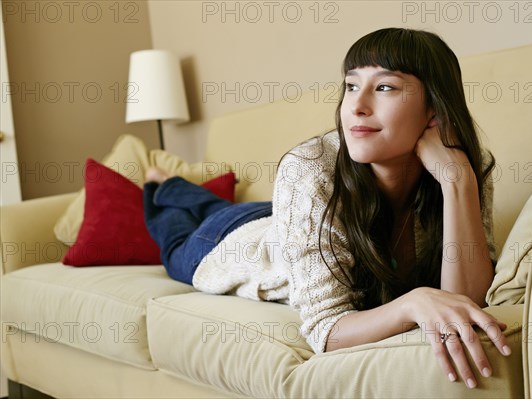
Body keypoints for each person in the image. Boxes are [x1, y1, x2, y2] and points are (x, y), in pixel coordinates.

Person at [143, 27, 511, 389]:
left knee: (215, 204)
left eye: (384, 87)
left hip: (282, 221)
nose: (356, 106)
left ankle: (176, 185)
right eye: (351, 86)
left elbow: (467, 302)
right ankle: (160, 183)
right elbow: (325, 330)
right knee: (169, 227)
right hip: (225, 243)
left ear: (434, 107)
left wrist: (457, 181)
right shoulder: (308, 167)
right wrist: (410, 304)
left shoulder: (461, 165)